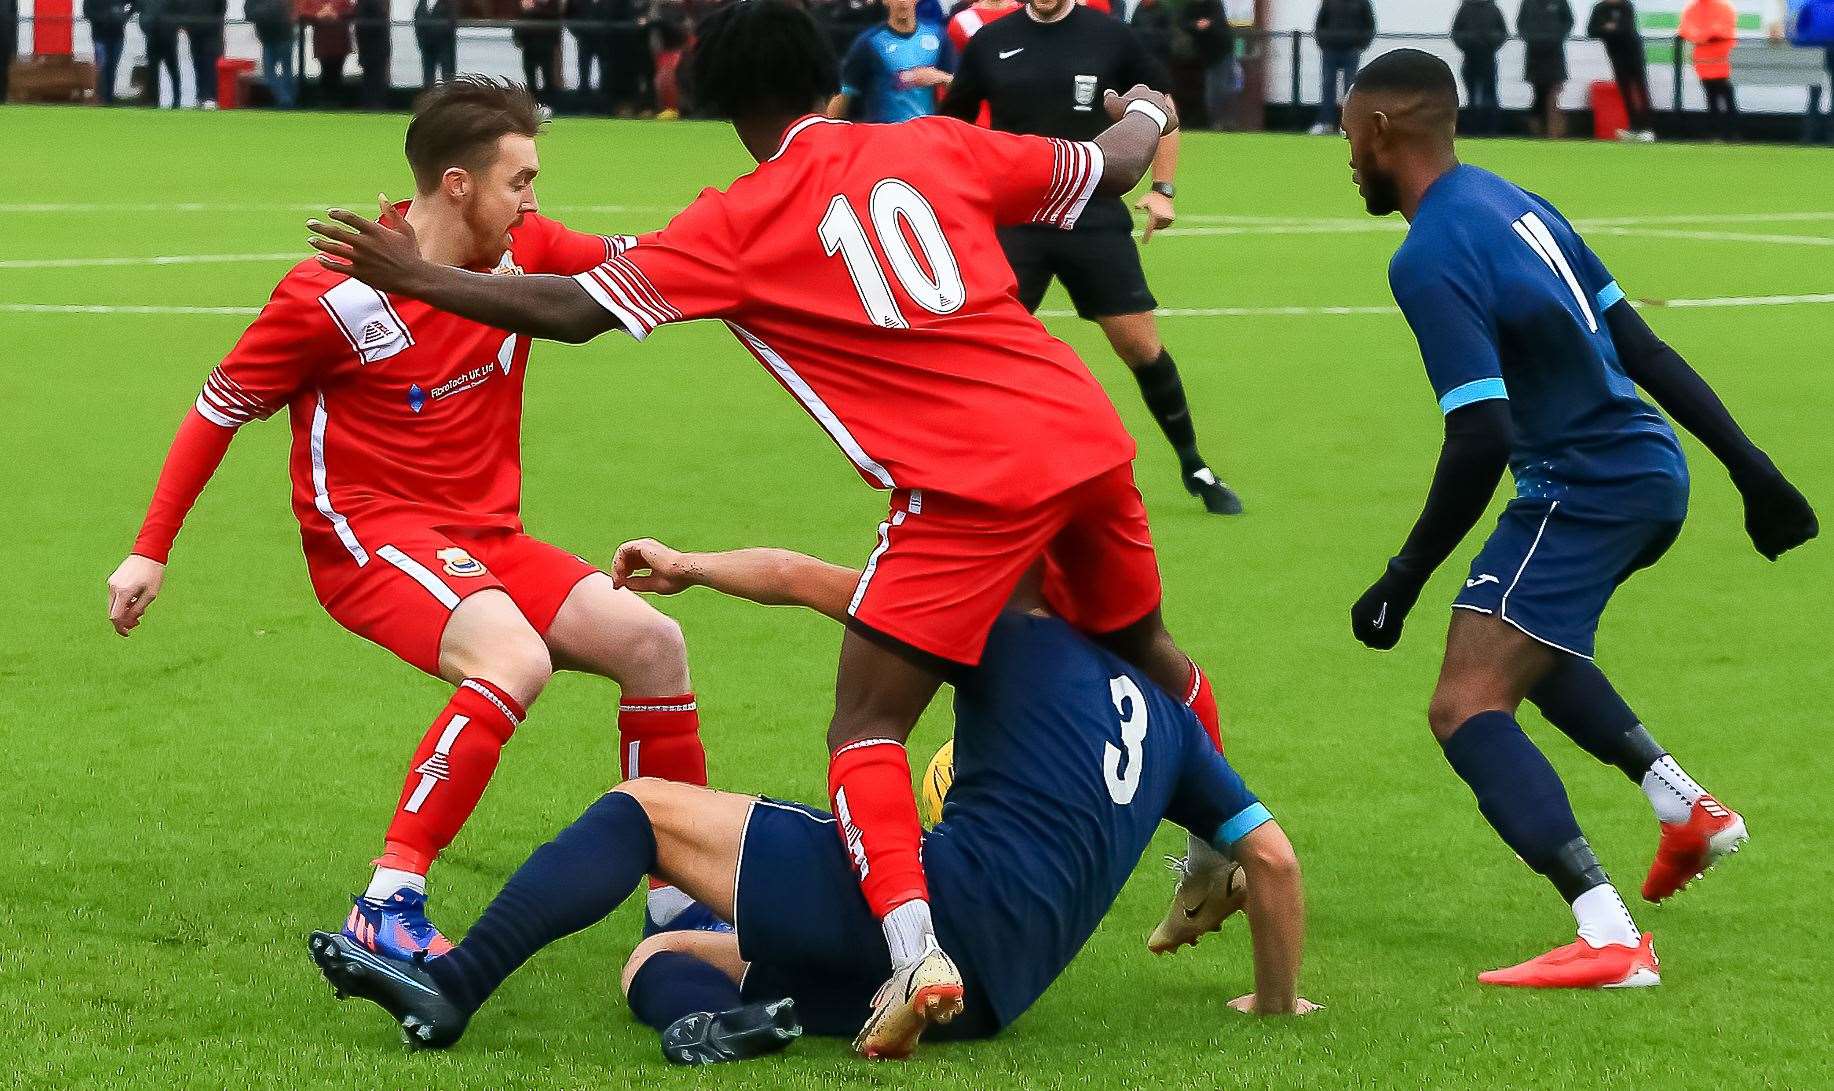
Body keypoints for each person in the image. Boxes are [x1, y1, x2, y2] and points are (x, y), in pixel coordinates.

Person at [307, 0, 1233, 1058]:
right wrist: (1152, 102)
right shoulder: (930, 140)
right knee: (1146, 648)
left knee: (865, 729)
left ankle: (914, 947)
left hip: (967, 484)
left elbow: (573, 310)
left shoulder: (736, 218)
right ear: (829, 78)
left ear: (720, 104)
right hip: (1084, 434)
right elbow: (1112, 164)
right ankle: (1221, 836)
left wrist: (418, 275)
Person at [106, 78, 715, 968]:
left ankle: (680, 910)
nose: (535, 203)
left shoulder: (527, 250)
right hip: (368, 539)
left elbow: (645, 259)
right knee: (515, 659)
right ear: (459, 184)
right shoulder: (334, 295)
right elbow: (220, 406)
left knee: (653, 644)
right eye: (521, 181)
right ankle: (388, 901)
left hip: (486, 537)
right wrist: (148, 550)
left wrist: (754, 223)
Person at [308, 537, 1316, 1060]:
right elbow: (1271, 859)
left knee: (642, 809)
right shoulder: (1172, 719)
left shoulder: (1001, 625)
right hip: (992, 999)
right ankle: (740, 1024)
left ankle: (455, 986)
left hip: (930, 910)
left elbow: (802, 576)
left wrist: (691, 566)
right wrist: (1273, 999)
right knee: (658, 957)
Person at [1339, 49, 1818, 988]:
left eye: (1351, 136)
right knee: (1527, 643)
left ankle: (1610, 935)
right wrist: (1750, 469)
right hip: (1643, 472)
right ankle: (1685, 807)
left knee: (1465, 701)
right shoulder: (1515, 199)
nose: (1347, 156)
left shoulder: (1429, 251)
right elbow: (1639, 341)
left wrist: (1404, 573)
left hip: (1582, 486)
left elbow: (1480, 436)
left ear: (1385, 129)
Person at [942, 0, 1244, 515]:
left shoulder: (1112, 38)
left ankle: (1194, 465)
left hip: (1094, 214)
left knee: (1141, 348)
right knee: (980, 351)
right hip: (1017, 218)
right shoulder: (991, 43)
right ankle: (954, 476)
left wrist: (1163, 189)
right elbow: (951, 131)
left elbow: (1161, 110)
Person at [827, 0, 953, 122]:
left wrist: (940, 77)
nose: (902, 2)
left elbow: (960, 88)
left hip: (925, 135)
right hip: (885, 135)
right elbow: (845, 95)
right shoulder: (870, 43)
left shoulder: (937, 36)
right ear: (885, 1)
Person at [1589, 0, 1654, 140]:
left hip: (1633, 53)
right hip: (1616, 56)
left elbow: (1625, 29)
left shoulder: (1626, 6)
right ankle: (1633, 126)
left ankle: (1647, 127)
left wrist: (1608, 29)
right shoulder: (1599, 8)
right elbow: (1592, 30)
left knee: (1640, 90)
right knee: (1625, 91)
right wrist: (1609, 29)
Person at [1309, 0, 1375, 135]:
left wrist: (1360, 44)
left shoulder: (1362, 2)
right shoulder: (1328, 1)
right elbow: (1319, 23)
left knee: (1349, 88)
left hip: (1351, 50)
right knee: (1327, 87)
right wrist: (1324, 42)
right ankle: (1325, 123)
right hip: (1330, 50)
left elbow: (1370, 25)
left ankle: (1346, 126)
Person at [1681, 0, 1738, 140]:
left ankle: (1729, 133)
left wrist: (1702, 35)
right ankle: (1718, 133)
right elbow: (1686, 30)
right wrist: (1706, 35)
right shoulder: (1693, 9)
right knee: (1712, 98)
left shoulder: (1723, 8)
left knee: (1725, 97)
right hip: (1705, 64)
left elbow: (1723, 30)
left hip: (1722, 62)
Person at [1451, 0, 1507, 136]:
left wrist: (1490, 41)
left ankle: (1490, 129)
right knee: (1472, 97)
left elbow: (1503, 33)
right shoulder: (1465, 9)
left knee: (1489, 95)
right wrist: (1470, 42)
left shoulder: (1493, 9)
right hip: (1470, 57)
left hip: (1488, 57)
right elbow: (1456, 33)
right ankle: (1474, 129)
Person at [1517, 0, 1572, 137]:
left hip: (1554, 54)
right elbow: (1521, 25)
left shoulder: (1560, 2)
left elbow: (1568, 22)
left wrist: (1555, 38)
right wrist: (1533, 39)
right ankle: (1538, 133)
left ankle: (1553, 133)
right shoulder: (1528, 3)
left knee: (1553, 94)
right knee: (1538, 96)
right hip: (1534, 55)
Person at [1183, 0, 1239, 130]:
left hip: (1223, 51)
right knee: (1214, 89)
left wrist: (1209, 23)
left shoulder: (1214, 3)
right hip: (1208, 55)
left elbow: (1219, 21)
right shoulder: (1191, 7)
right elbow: (1184, 23)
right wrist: (1196, 25)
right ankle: (1216, 122)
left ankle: (1228, 121)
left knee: (1226, 87)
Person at [174, 0, 226, 107]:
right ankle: (202, 96)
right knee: (199, 62)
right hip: (197, 26)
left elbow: (221, 7)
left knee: (210, 62)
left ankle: (210, 97)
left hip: (208, 27)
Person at [302, 0, 354, 105]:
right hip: (327, 43)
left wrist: (334, 15)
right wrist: (320, 16)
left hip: (337, 42)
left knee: (335, 72)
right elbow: (305, 15)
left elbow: (351, 12)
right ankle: (328, 100)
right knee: (328, 72)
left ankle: (332, 100)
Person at [247, 0, 298, 107]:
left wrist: (261, 14)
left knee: (272, 72)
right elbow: (249, 14)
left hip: (278, 36)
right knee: (284, 71)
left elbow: (250, 14)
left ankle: (285, 99)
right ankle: (288, 99)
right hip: (278, 35)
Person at [567, 0, 615, 108]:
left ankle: (605, 106)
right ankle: (583, 106)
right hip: (585, 40)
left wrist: (608, 33)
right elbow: (569, 16)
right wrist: (579, 32)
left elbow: (616, 14)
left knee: (606, 75)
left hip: (605, 41)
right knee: (584, 74)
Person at [85, 0, 134, 104]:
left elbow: (136, 3)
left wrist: (125, 17)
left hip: (117, 35)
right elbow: (87, 12)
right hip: (100, 36)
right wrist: (102, 18)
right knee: (102, 67)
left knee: (112, 67)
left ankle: (109, 98)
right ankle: (101, 97)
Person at [515, 0, 563, 104]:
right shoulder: (525, 11)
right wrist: (519, 41)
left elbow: (555, 25)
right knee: (531, 78)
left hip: (545, 47)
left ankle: (550, 104)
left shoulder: (550, 8)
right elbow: (519, 26)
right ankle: (533, 103)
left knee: (548, 77)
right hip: (529, 48)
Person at [139, 0, 184, 107]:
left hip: (168, 36)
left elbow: (180, 10)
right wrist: (146, 27)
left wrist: (174, 28)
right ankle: (154, 100)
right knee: (153, 70)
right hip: (152, 36)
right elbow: (141, 11)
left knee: (172, 69)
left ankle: (177, 100)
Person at [354, 0, 391, 109]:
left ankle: (371, 103)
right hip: (374, 48)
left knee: (370, 78)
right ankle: (374, 104)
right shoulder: (372, 6)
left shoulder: (362, 6)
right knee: (375, 78)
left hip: (369, 48)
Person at [413, 0, 457, 91]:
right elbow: (417, 22)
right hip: (427, 46)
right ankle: (429, 100)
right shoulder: (422, 3)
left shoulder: (448, 3)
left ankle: (448, 100)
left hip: (444, 46)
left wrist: (436, 32)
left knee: (448, 76)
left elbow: (451, 23)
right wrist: (421, 42)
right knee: (428, 78)